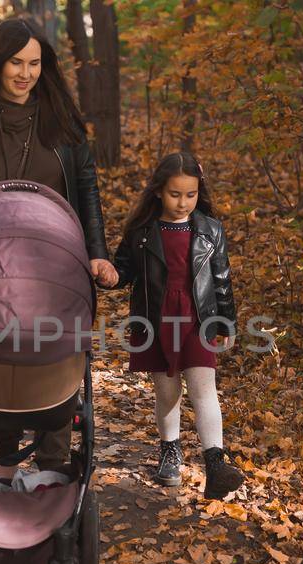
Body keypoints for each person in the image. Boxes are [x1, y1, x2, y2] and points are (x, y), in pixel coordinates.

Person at [0, 17, 117, 483]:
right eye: (16, 62)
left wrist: (97, 252)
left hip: (55, 259)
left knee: (56, 349)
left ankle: (53, 463)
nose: (25, 73)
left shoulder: (64, 120)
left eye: (35, 63)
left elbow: (87, 193)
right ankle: (4, 453)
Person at [108, 153, 244, 500]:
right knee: (167, 392)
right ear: (157, 192)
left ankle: (215, 463)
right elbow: (124, 270)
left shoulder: (210, 230)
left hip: (198, 315)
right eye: (174, 194)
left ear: (199, 193)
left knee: (204, 389)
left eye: (190, 195)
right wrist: (109, 276)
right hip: (155, 316)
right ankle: (170, 451)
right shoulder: (141, 231)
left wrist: (226, 321)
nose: (183, 202)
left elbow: (222, 279)